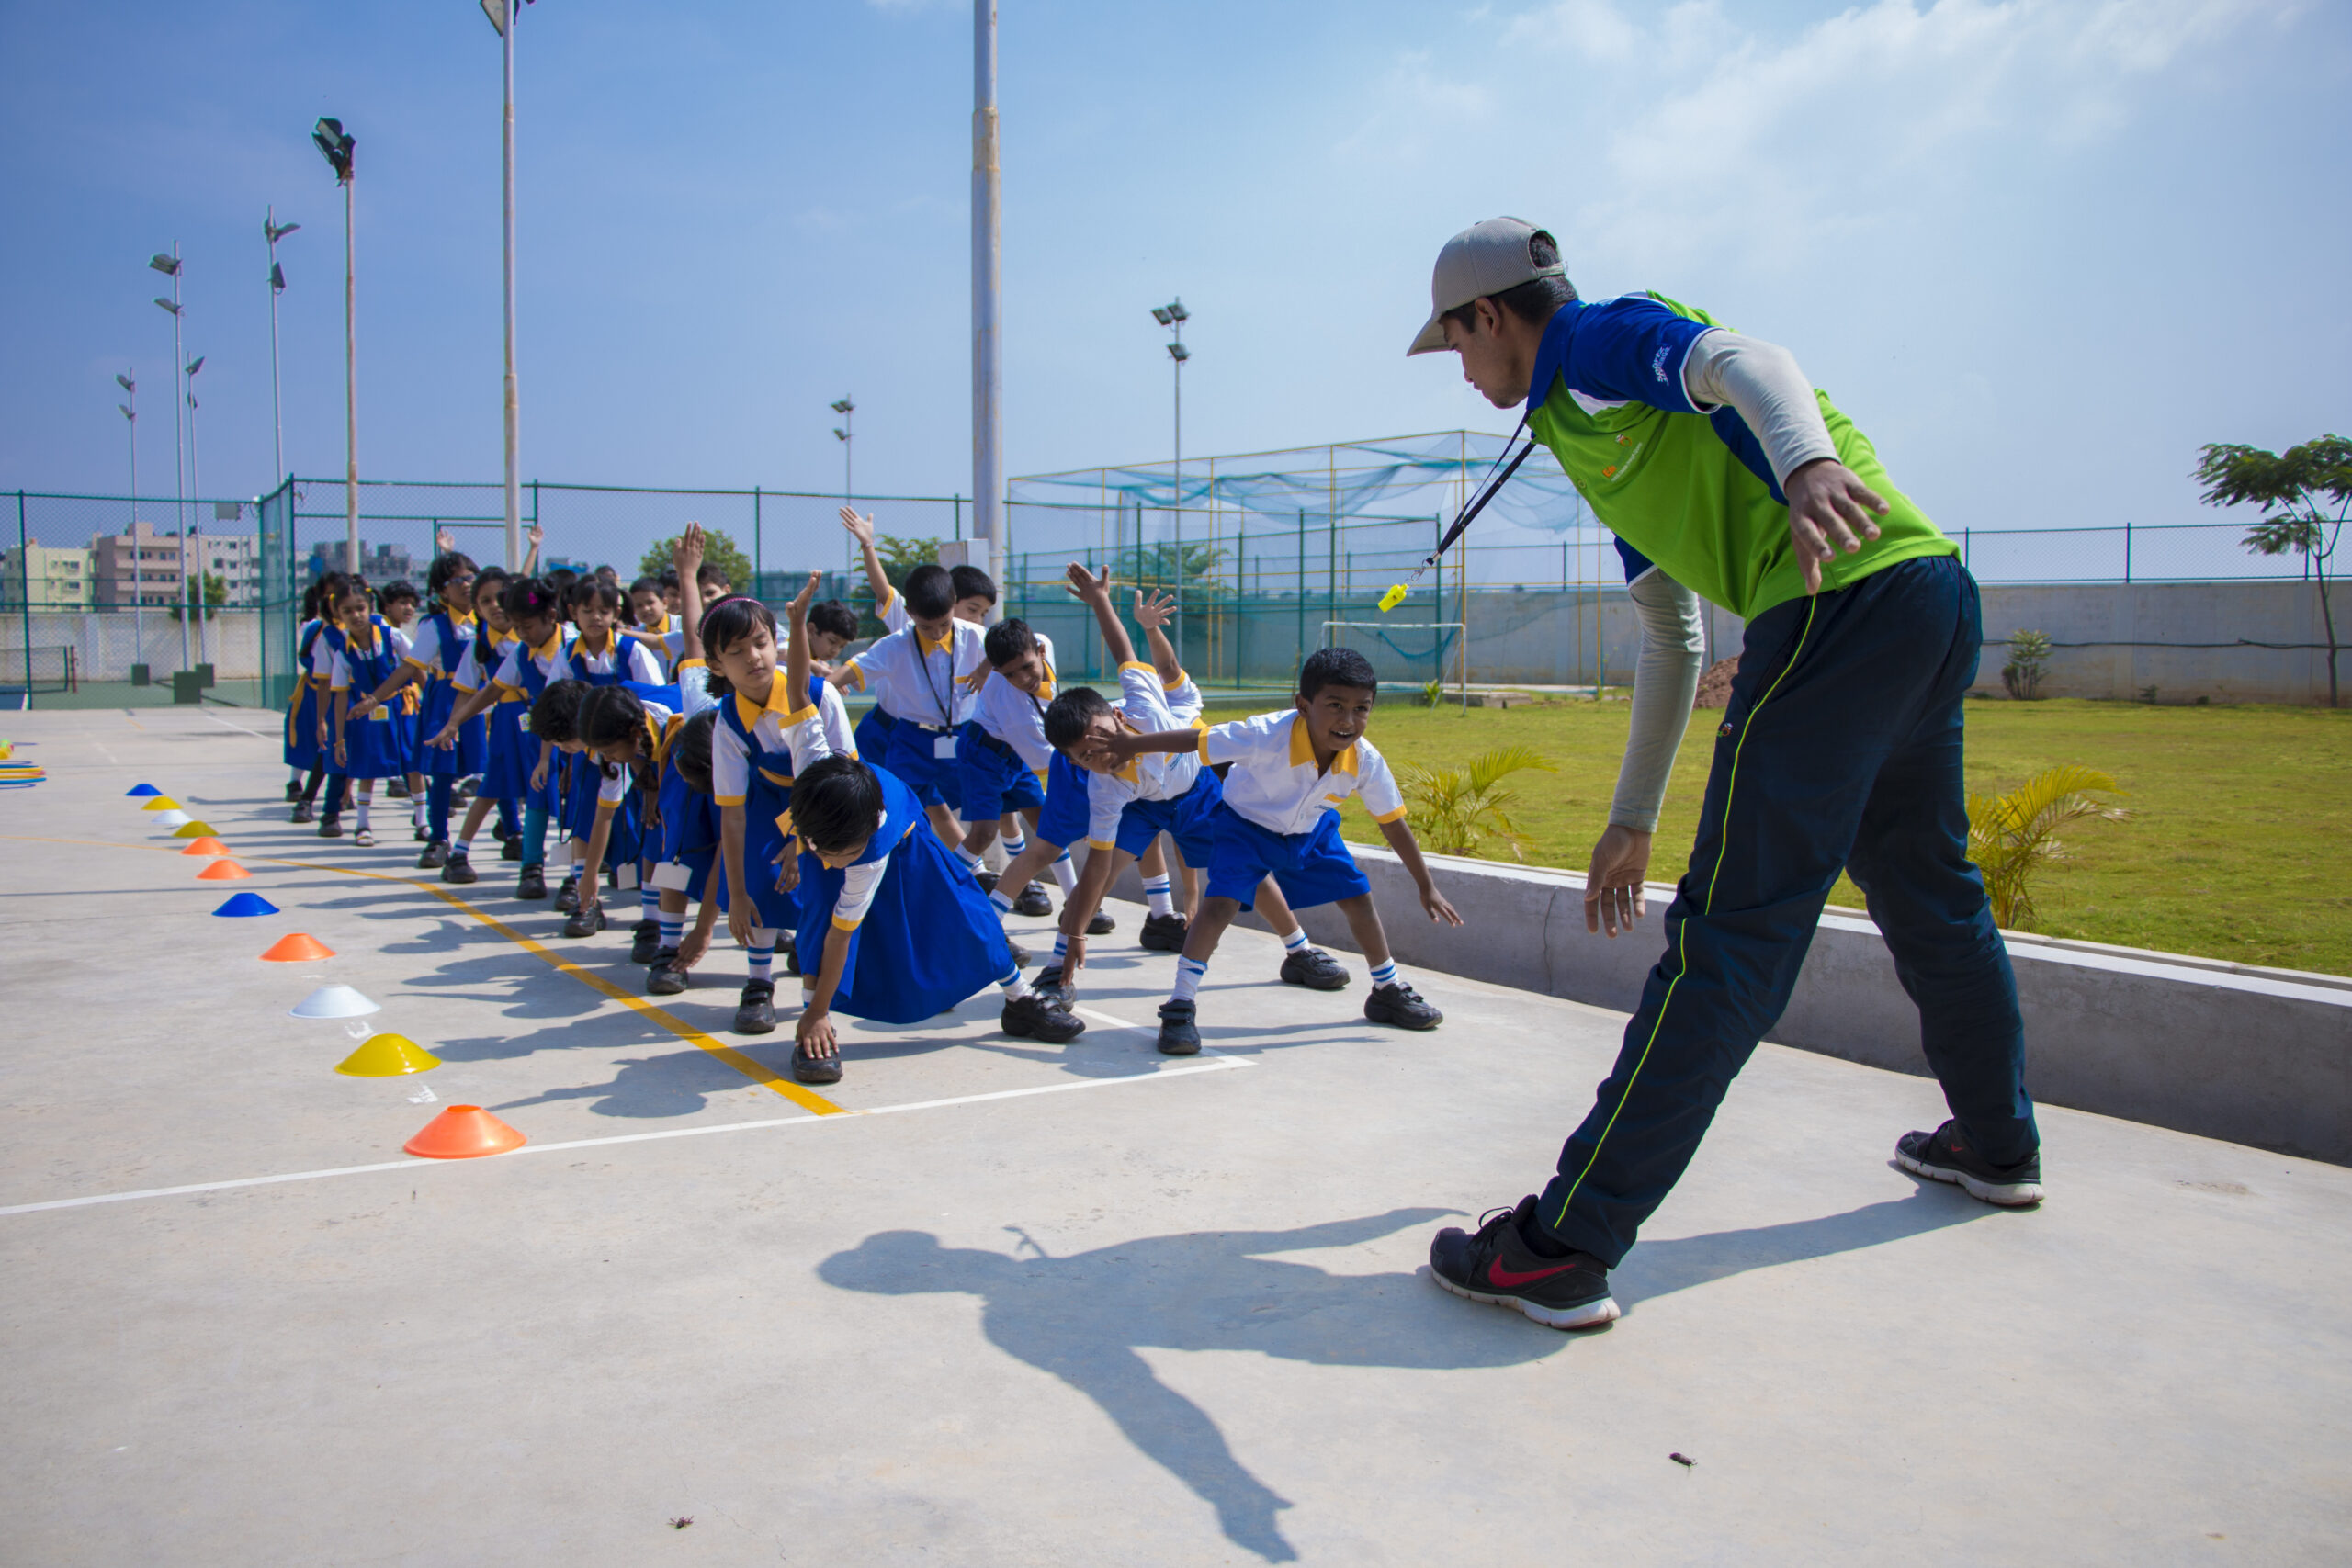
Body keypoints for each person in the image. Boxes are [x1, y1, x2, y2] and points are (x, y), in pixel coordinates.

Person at [1407, 217, 2042, 1333]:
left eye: (1454, 342)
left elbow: (1746, 361)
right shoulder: (1582, 431)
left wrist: (1805, 464)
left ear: (1491, 315)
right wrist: (1630, 819)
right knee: (1928, 893)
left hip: (1838, 609)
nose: (1457, 368)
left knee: (1729, 942)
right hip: (1923, 599)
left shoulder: (1593, 343)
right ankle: (1996, 1146)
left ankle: (1561, 1248)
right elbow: (1672, 634)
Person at [770, 574, 1082, 1086]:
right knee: (815, 927)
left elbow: (847, 932)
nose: (831, 861)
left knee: (969, 912)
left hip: (905, 842)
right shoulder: (813, 759)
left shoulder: (865, 853)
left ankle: (1020, 1000)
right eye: (820, 849)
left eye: (838, 855)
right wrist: (799, 622)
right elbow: (801, 689)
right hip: (846, 826)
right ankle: (815, 1029)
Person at [1084, 644, 1460, 1055]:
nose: (1348, 720)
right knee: (1219, 906)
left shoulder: (1364, 759)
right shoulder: (1265, 734)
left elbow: (1392, 822)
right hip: (1244, 828)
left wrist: (1426, 885)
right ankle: (1180, 1005)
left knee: (1358, 897)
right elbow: (1197, 739)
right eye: (1335, 705)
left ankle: (1387, 990)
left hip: (1311, 830)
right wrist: (1132, 745)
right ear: (1303, 705)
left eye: (1361, 709)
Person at [1046, 564, 1342, 1006]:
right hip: (1144, 805)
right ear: (1074, 763)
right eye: (1087, 757)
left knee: (1247, 868)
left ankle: (1299, 951)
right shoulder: (1105, 788)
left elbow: (1123, 651)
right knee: (1100, 878)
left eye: (1103, 739)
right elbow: (1095, 866)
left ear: (1119, 717)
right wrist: (1075, 934)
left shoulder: (1146, 704)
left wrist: (1101, 601)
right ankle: (1057, 969)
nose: (1102, 755)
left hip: (1197, 791)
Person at [428, 574, 572, 899]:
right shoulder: (518, 651)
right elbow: (491, 690)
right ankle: (530, 867)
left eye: (526, 626)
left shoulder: (572, 647)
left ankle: (580, 875)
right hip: (533, 730)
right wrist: (454, 723)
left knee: (582, 800)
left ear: (551, 616)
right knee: (523, 793)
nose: (521, 633)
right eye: (516, 627)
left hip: (578, 736)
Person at [830, 560, 985, 850]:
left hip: (962, 737)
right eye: (926, 627)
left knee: (989, 806)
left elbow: (1010, 649)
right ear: (910, 612)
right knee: (895, 810)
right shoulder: (894, 645)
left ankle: (973, 869)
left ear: (953, 602)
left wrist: (986, 668)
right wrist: (824, 689)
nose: (937, 633)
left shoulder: (975, 636)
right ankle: (895, 861)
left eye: (944, 623)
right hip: (912, 740)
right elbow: (850, 670)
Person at [348, 553, 482, 868]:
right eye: (457, 580)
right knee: (443, 770)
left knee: (494, 766)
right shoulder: (435, 626)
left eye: (470, 577)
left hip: (482, 700)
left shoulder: (490, 622)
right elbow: (409, 667)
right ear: (441, 591)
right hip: (446, 699)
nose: (466, 584)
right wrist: (375, 699)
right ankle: (438, 838)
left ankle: (513, 831)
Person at [432, 566, 523, 885]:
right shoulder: (479, 645)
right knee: (492, 787)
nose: (495, 605)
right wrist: (453, 725)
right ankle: (459, 853)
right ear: (477, 609)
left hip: (544, 724)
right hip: (506, 723)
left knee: (550, 790)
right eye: (485, 601)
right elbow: (466, 689)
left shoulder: (539, 634)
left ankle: (555, 864)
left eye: (501, 597)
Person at [318, 577, 412, 846]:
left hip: (393, 705)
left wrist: (425, 699)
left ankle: (423, 819)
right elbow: (331, 688)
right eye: (347, 610)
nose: (355, 615)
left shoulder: (389, 634)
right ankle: (345, 818)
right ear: (337, 612)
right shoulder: (335, 645)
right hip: (356, 708)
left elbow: (416, 666)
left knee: (410, 761)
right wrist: (328, 727)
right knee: (354, 762)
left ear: (370, 606)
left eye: (360, 607)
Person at [285, 579, 335, 823]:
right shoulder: (314, 628)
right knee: (311, 737)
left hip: (346, 694)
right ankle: (299, 786)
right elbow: (308, 658)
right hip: (316, 690)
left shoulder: (364, 629)